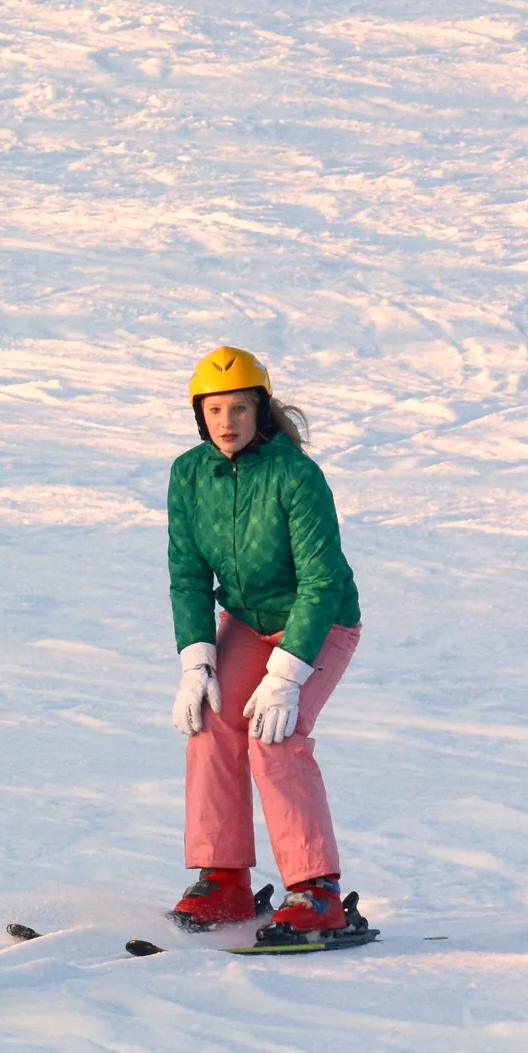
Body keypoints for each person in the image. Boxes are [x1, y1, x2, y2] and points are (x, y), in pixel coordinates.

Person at [165, 346, 363, 938]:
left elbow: (322, 580)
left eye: (242, 409)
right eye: (216, 409)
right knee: (211, 717)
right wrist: (196, 660)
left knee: (275, 735)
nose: (228, 422)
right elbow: (189, 573)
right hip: (247, 623)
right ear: (201, 414)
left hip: (318, 621)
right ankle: (223, 878)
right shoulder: (189, 473)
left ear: (262, 412)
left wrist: (286, 676)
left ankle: (314, 891)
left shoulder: (296, 475)